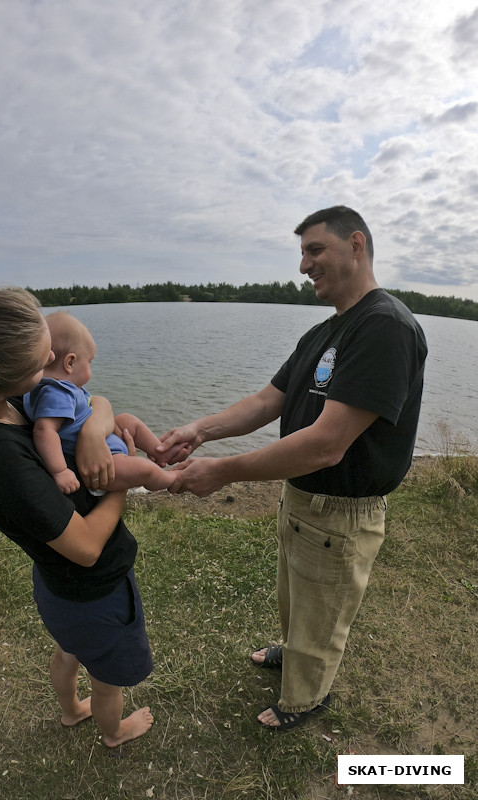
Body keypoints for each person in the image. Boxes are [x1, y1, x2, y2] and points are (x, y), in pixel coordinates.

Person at [158, 206, 428, 731]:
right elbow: (268, 401)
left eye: (314, 250)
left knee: (323, 611)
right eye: (301, 253)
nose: (303, 265)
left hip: (342, 511)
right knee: (297, 597)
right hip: (302, 501)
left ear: (356, 245)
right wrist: (200, 431)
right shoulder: (324, 333)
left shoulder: (385, 327)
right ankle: (293, 649)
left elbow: (328, 444)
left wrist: (225, 471)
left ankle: (304, 699)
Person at [0, 287, 154, 748]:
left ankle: (69, 711)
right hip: (92, 589)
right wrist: (119, 484)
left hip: (57, 588)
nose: (53, 371)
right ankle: (114, 732)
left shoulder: (9, 402)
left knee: (70, 650)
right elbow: (84, 549)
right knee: (107, 677)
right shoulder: (0, 460)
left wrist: (94, 437)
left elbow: (91, 398)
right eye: (42, 364)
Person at [23, 312, 182, 495]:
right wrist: (60, 471)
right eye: (89, 362)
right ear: (70, 363)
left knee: (126, 420)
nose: (90, 369)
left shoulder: (57, 388)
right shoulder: (56, 393)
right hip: (104, 464)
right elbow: (44, 430)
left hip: (104, 443)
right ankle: (174, 478)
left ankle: (160, 451)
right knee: (144, 469)